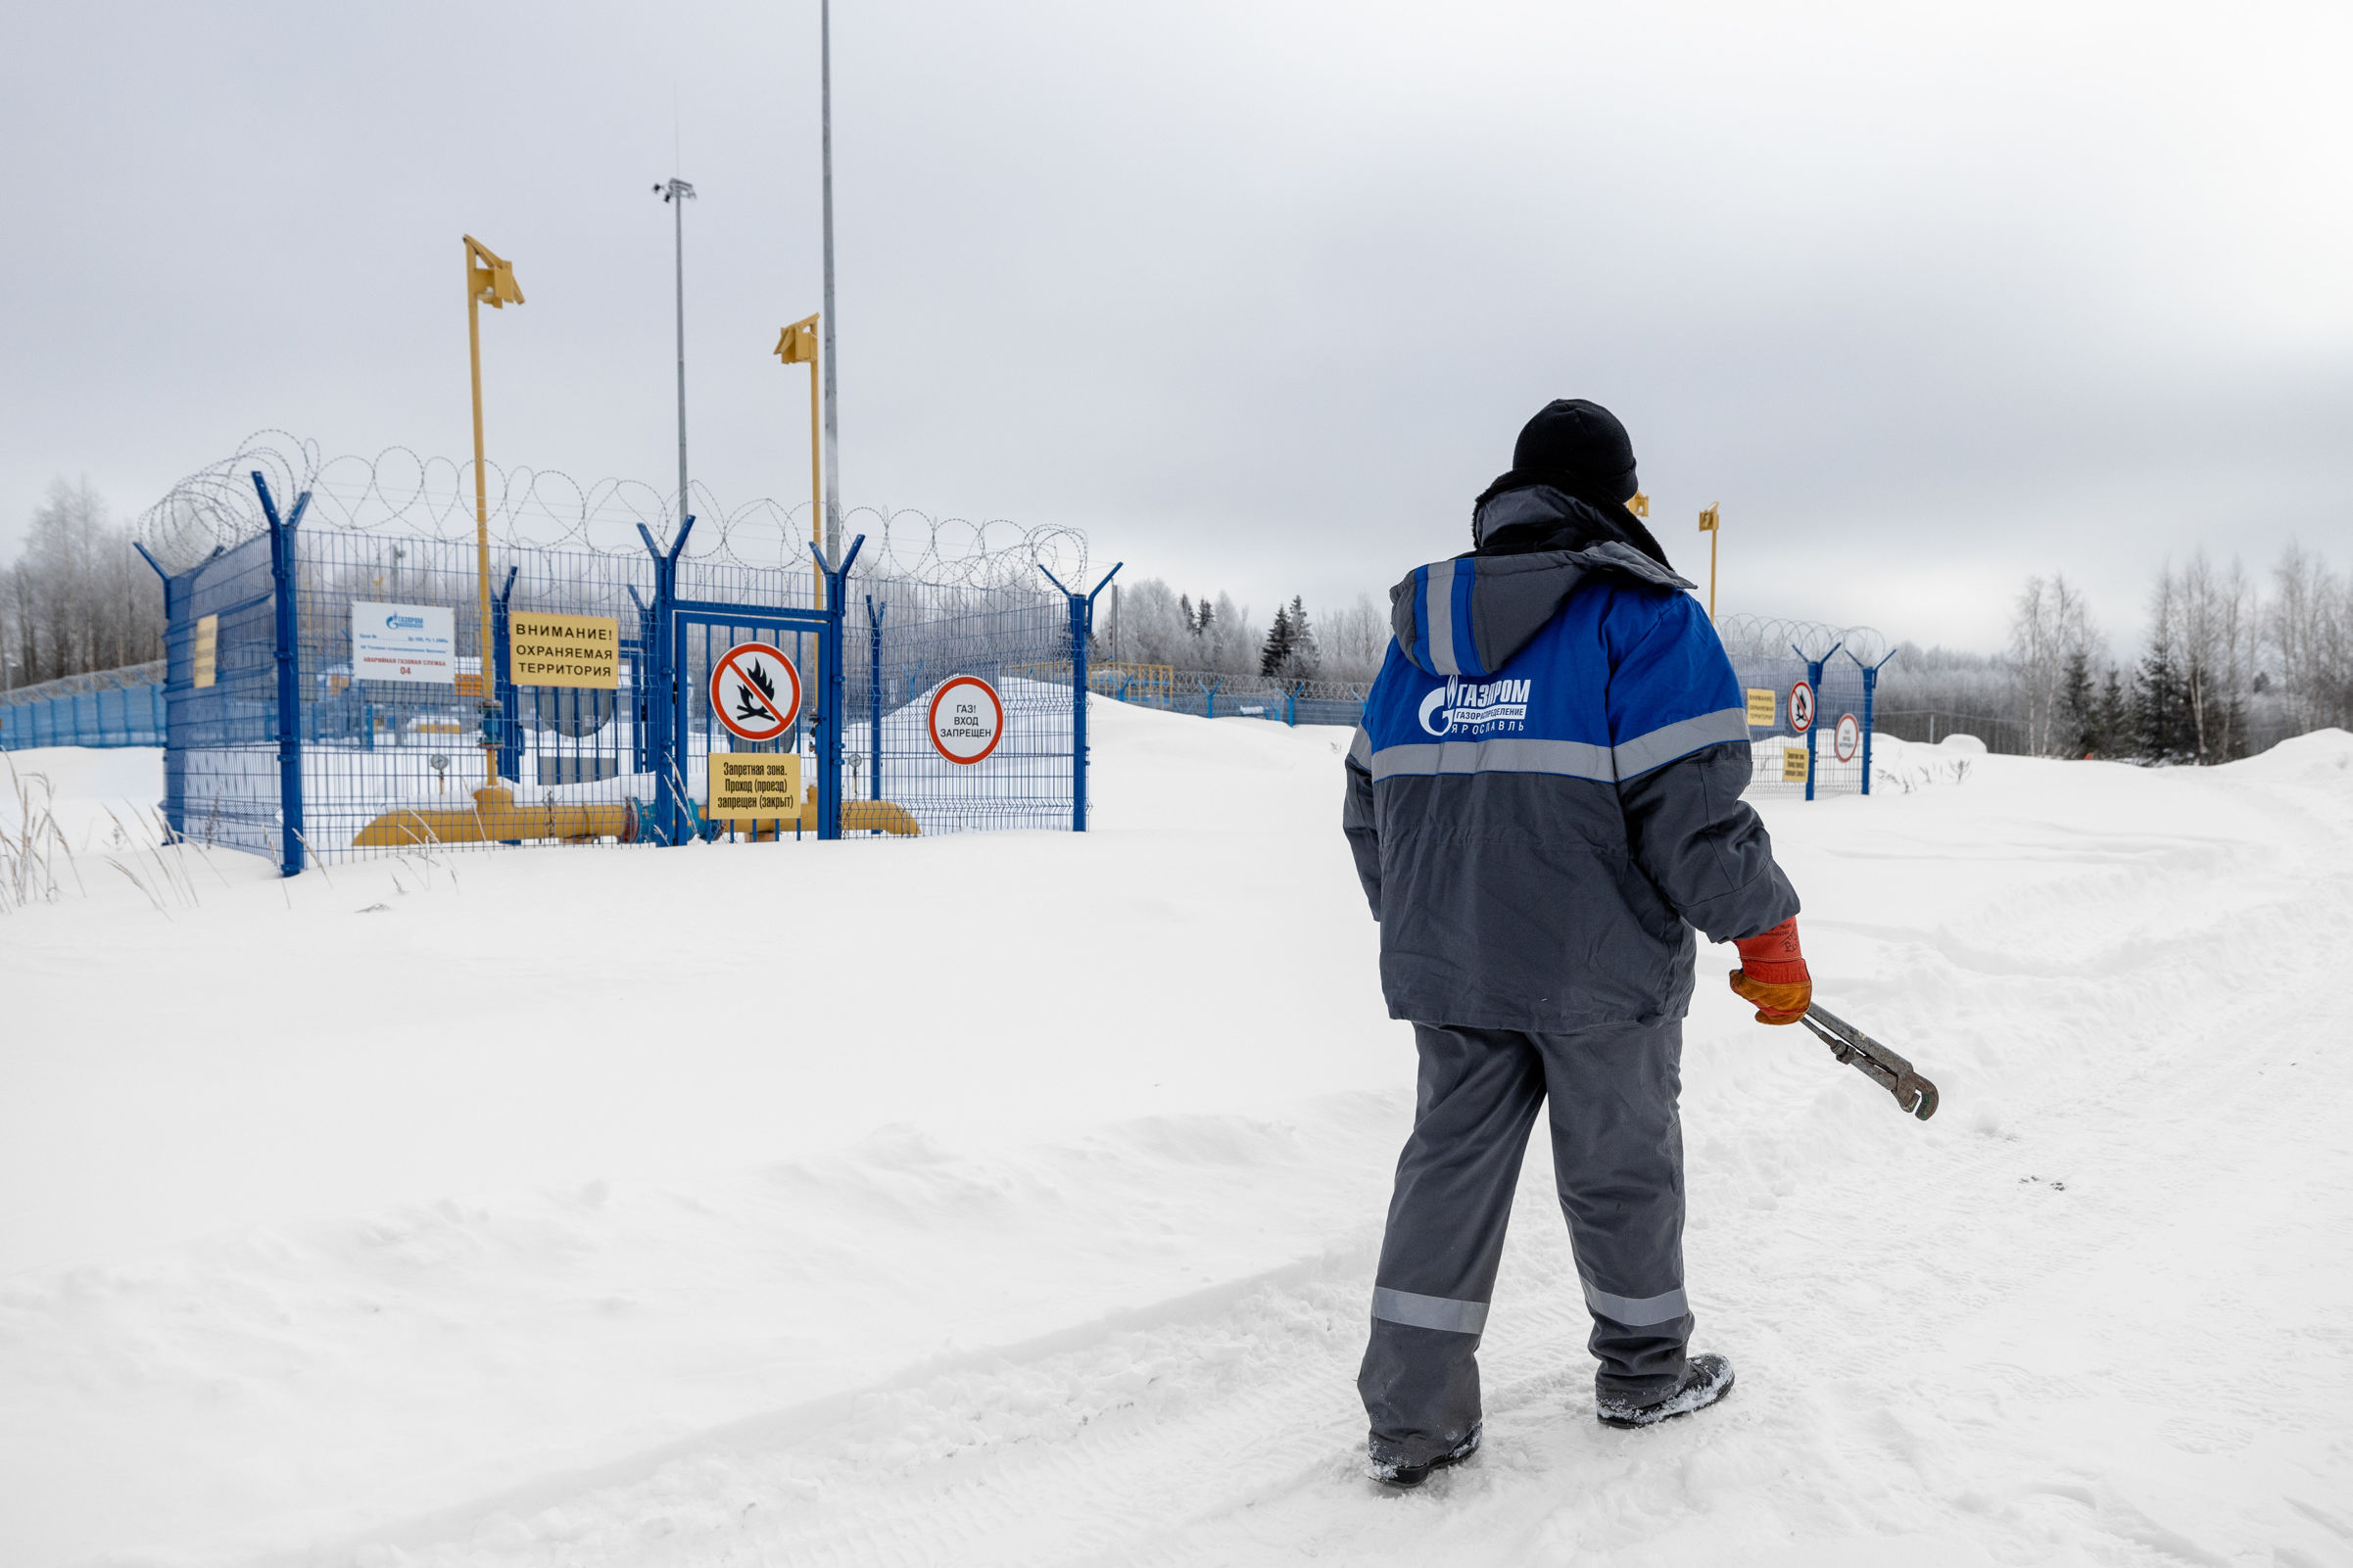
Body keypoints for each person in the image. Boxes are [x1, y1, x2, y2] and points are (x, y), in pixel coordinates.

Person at [1341, 398, 1813, 1488]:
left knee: (1446, 1172)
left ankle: (1411, 1420)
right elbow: (1690, 811)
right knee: (1619, 1170)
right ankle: (1644, 1372)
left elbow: (1370, 800)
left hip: (1452, 963)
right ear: (1613, 496)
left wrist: (1422, 917)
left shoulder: (1422, 630)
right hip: (1598, 966)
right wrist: (1765, 930)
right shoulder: (1640, 618)